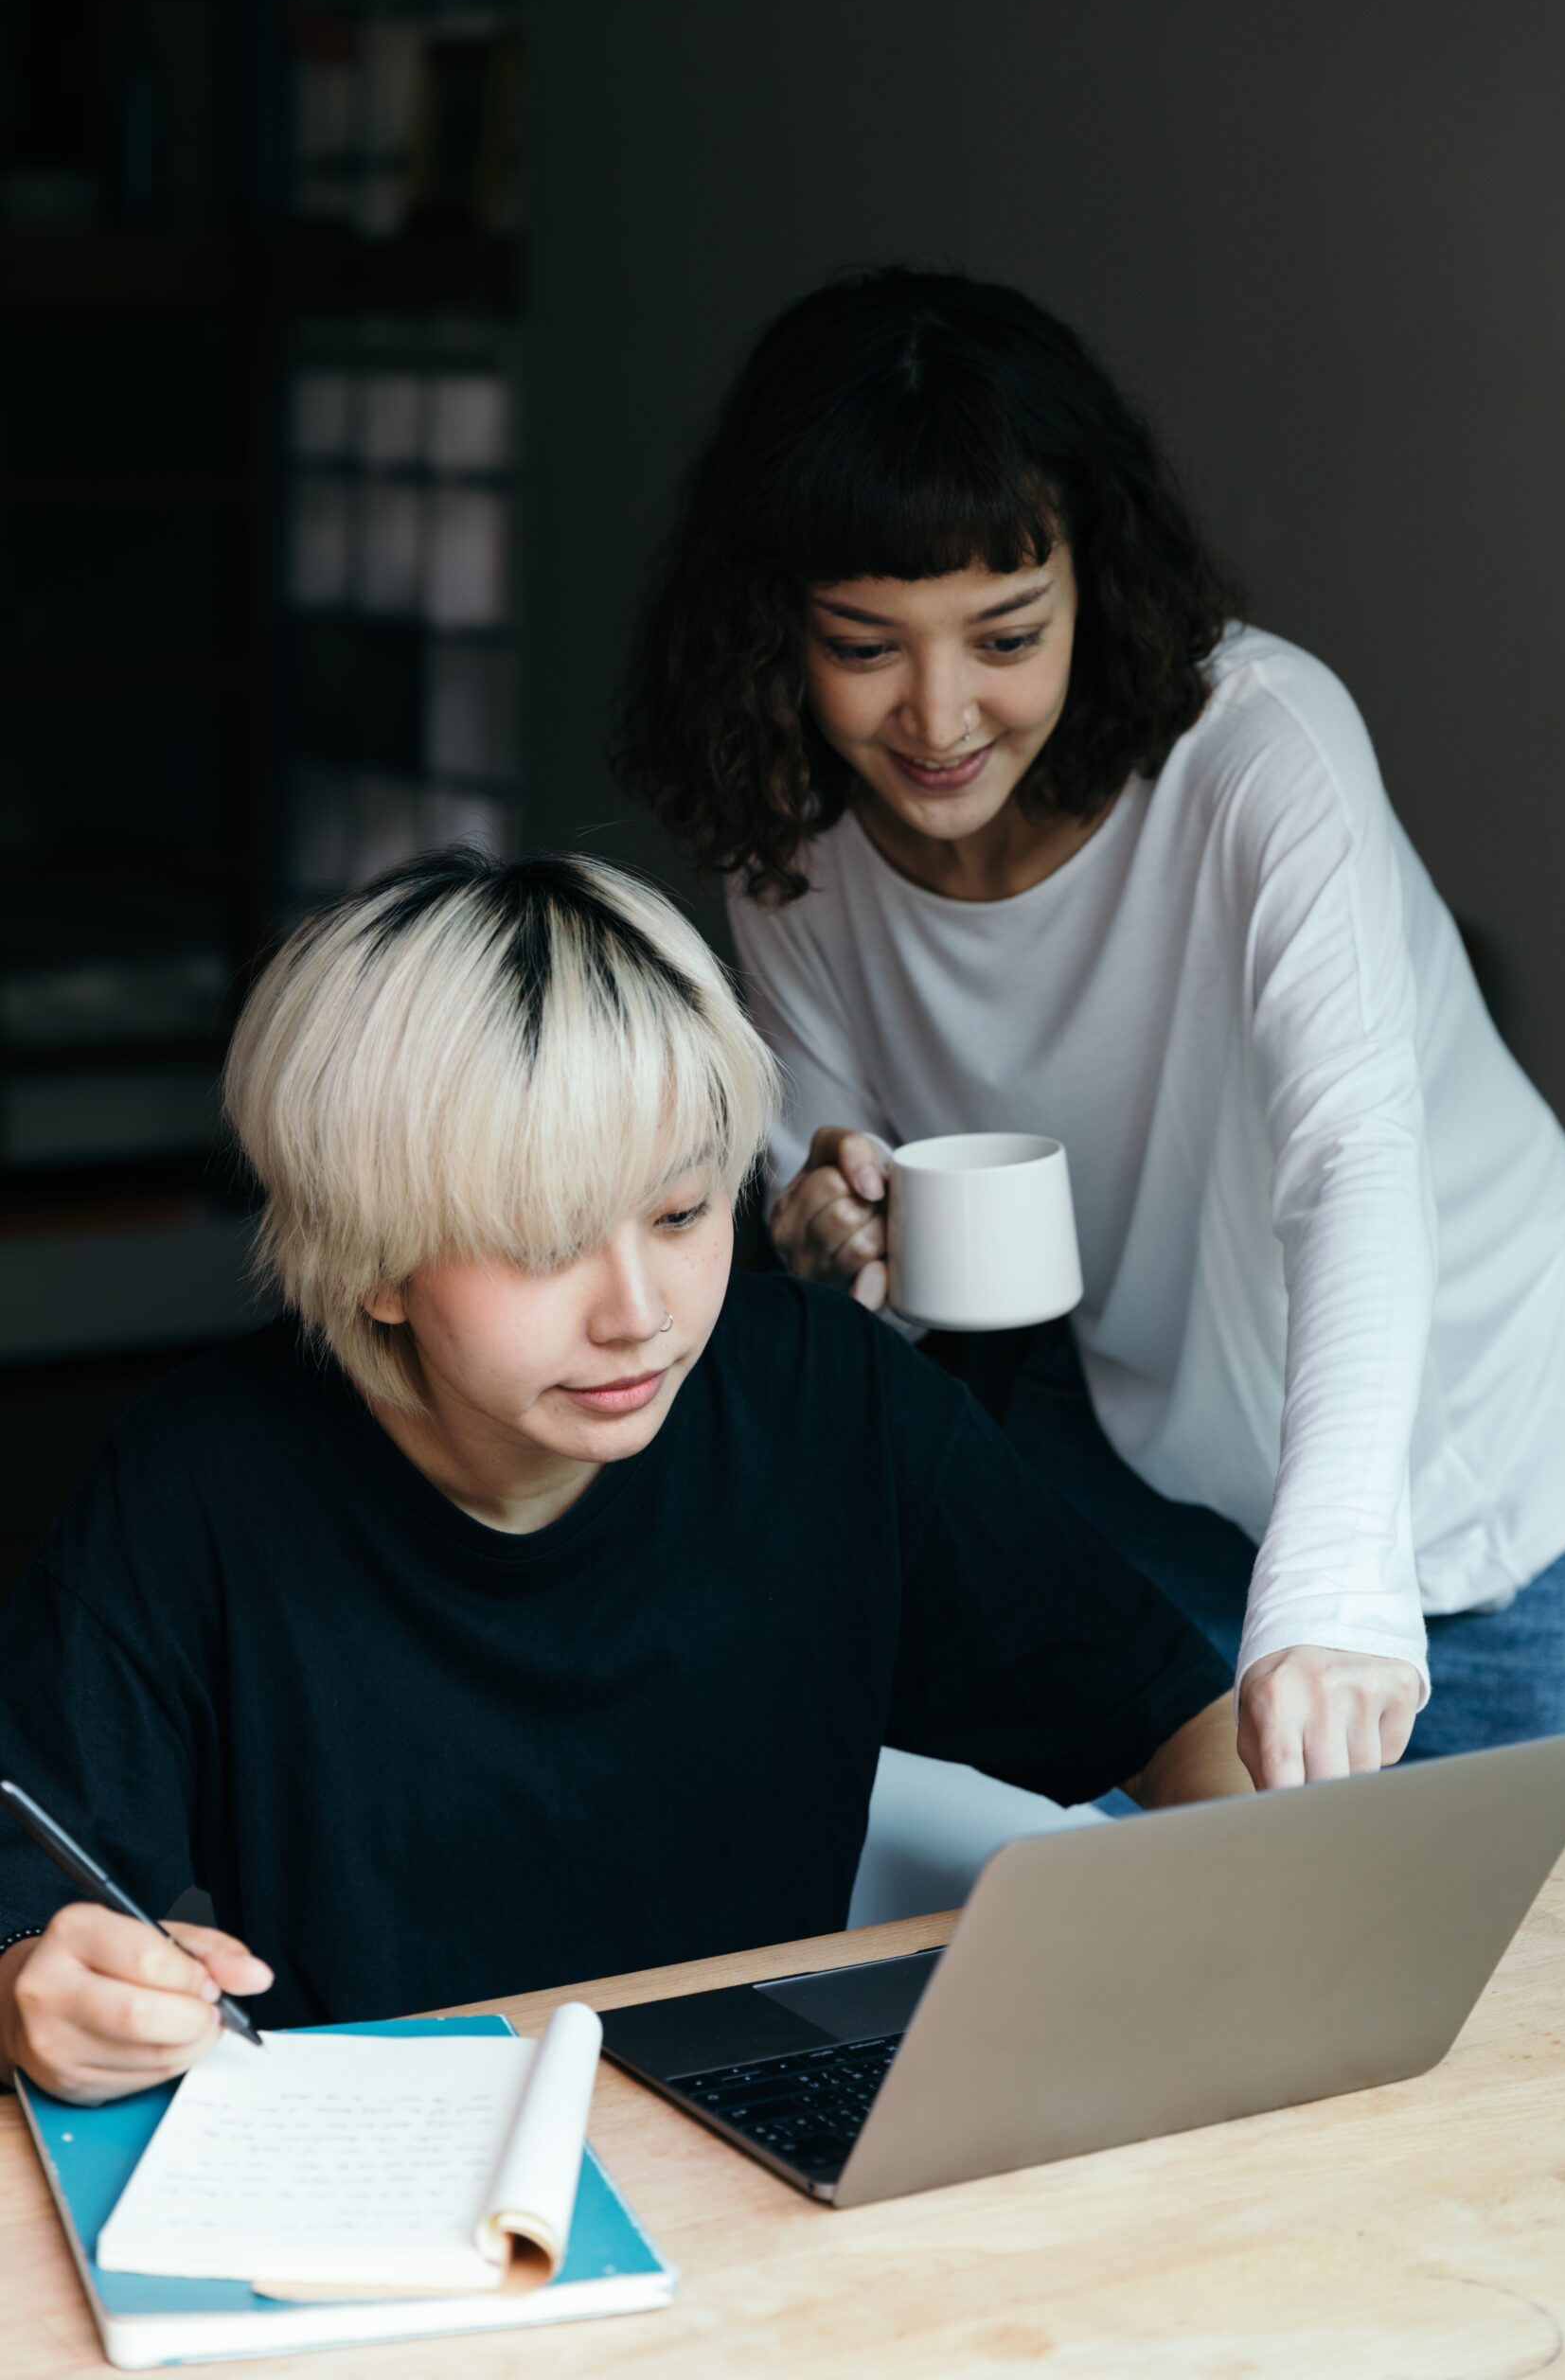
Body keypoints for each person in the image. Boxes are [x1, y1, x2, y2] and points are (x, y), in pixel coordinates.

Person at [0, 848, 1243, 2105]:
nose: (640, 1315)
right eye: (545, 1247)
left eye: (681, 1213)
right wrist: (41, 1999)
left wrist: (1274, 1887)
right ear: (369, 1258)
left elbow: (1172, 1718)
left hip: (774, 2138)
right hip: (399, 2166)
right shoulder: (197, 1491)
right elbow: (30, 1915)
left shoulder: (829, 1402)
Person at [615, 265, 1565, 1790]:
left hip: (1502, 1477)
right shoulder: (793, 834)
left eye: (1006, 636)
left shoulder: (1255, 756)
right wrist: (824, 1235)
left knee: (1544, 2003)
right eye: (865, 645)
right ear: (774, 630)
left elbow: (1353, 1155)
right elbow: (823, 1176)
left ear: (1096, 581)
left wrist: (1337, 1580)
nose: (938, 719)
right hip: (1161, 1462)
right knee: (1220, 1977)